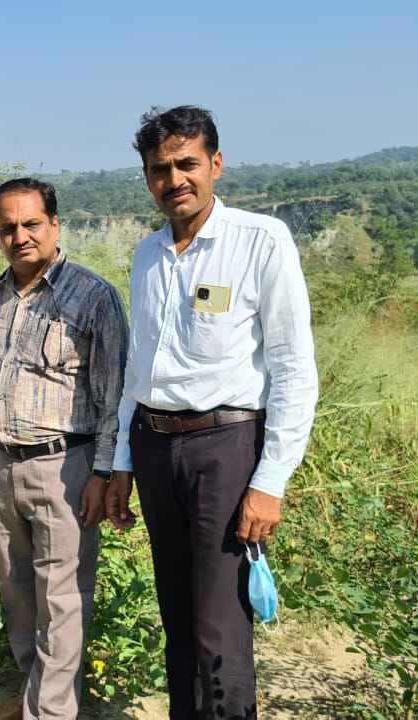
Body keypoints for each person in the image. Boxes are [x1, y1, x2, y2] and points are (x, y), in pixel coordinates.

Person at [105, 105, 318, 719]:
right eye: (159, 169)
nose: (174, 180)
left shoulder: (259, 240)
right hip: (154, 446)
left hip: (224, 449)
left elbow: (293, 368)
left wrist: (269, 481)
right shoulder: (147, 256)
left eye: (186, 164)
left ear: (216, 165)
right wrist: (122, 462)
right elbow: (137, 372)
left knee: (220, 625)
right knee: (176, 614)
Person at [0, 178, 128, 720]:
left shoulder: (93, 296)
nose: (20, 236)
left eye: (31, 224)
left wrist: (104, 472)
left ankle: (50, 713)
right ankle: (31, 691)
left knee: (62, 599)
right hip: (5, 466)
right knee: (17, 591)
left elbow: (113, 395)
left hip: (66, 466)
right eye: (8, 227)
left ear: (54, 225)